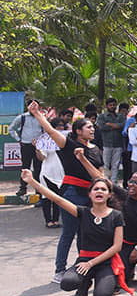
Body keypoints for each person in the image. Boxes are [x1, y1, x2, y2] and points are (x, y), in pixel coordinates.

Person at [21, 169, 130, 296]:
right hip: (84, 260)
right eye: (96, 189)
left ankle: (106, 280)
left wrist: (91, 264)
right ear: (90, 194)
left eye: (103, 189)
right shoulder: (82, 212)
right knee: (67, 283)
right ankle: (85, 282)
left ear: (109, 195)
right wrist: (32, 182)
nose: (99, 191)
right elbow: (57, 199)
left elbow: (117, 247)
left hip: (105, 262)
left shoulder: (116, 215)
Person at [26, 101, 104, 283]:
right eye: (88, 127)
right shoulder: (68, 145)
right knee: (69, 232)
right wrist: (38, 114)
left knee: (85, 233)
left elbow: (100, 174)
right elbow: (52, 132)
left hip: (91, 195)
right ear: (78, 131)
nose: (92, 129)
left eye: (93, 127)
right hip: (71, 193)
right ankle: (59, 270)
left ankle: (82, 265)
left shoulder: (96, 149)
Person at [10, 100, 45, 196]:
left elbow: (46, 130)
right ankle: (23, 188)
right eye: (31, 105)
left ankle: (38, 190)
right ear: (27, 106)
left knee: (39, 168)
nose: (33, 107)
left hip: (38, 146)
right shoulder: (22, 117)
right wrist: (18, 139)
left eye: (35, 105)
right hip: (26, 145)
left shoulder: (41, 118)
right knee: (25, 167)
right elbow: (11, 129)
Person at [97, 97, 126, 183]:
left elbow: (122, 126)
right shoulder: (102, 116)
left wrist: (110, 124)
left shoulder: (121, 116)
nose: (112, 106)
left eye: (114, 105)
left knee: (115, 164)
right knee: (105, 164)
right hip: (106, 144)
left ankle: (113, 182)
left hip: (118, 144)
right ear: (107, 106)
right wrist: (116, 126)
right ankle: (105, 181)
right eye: (110, 105)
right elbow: (102, 127)